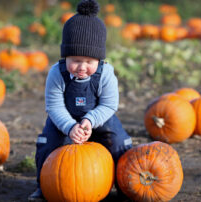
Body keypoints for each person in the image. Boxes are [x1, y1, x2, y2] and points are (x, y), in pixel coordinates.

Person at [28, 0, 132, 200]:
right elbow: (54, 106)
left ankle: (123, 185)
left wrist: (90, 120)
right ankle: (44, 185)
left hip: (99, 117)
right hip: (64, 119)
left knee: (119, 140)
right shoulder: (56, 73)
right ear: (65, 56)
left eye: (89, 61)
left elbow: (109, 104)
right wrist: (69, 126)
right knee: (47, 142)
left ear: (99, 60)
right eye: (75, 60)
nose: (82, 67)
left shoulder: (106, 74)